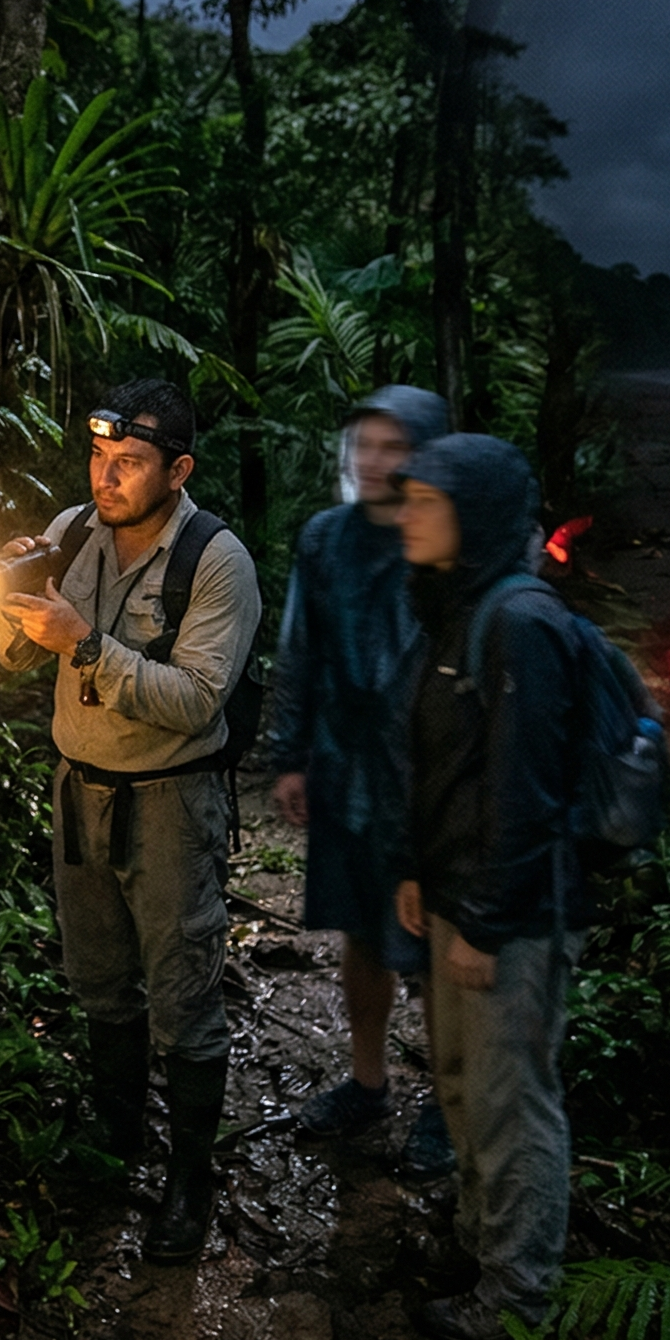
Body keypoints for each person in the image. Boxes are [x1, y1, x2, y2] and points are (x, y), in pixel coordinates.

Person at [0, 378, 261, 1264]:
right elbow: (9, 654)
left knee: (182, 992)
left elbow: (197, 700)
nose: (105, 478)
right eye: (99, 457)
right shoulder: (73, 532)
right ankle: (118, 1143)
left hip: (172, 800)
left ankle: (190, 1180)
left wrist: (83, 642)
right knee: (100, 978)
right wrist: (8, 593)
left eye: (130, 463)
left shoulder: (216, 562)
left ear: (178, 471)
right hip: (80, 792)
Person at [386, 433, 592, 1340]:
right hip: (461, 897)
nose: (408, 515)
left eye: (428, 502)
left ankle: (516, 1297)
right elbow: (449, 764)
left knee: (511, 1101)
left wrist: (488, 921)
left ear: (476, 517)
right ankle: (478, 1246)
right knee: (464, 1087)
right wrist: (418, 870)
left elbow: (527, 790)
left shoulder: (520, 623)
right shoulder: (458, 605)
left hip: (511, 915)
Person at [268, 386, 457, 1180]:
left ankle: (448, 1105)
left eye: (395, 446)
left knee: (437, 946)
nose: (376, 462)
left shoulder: (447, 537)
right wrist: (289, 754)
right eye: (365, 445)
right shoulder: (326, 538)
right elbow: (301, 647)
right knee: (359, 932)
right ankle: (369, 1081)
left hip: (427, 780)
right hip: (346, 768)